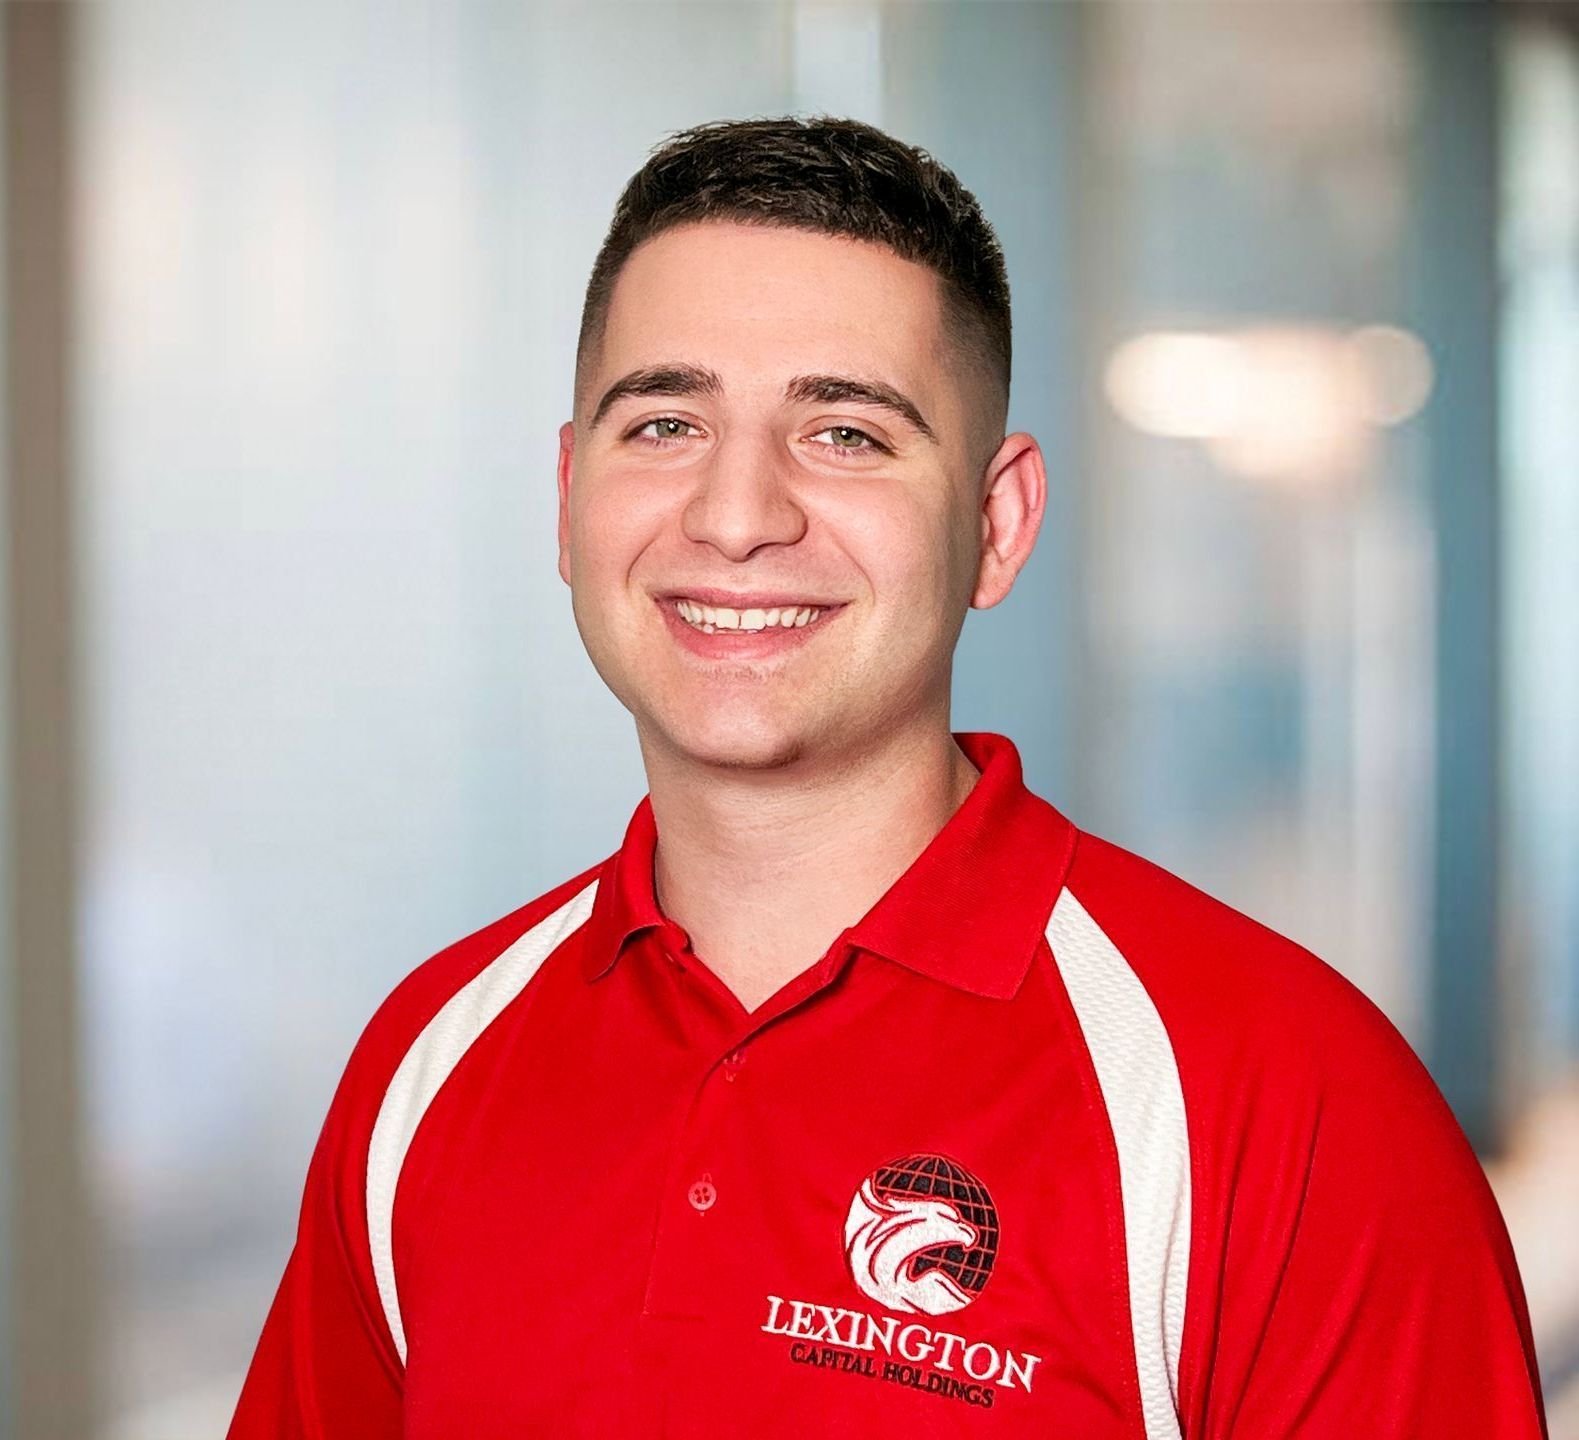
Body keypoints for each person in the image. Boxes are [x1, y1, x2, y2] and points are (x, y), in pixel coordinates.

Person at [227, 115, 1548, 1438]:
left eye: (848, 434)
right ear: (570, 496)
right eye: (667, 423)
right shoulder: (432, 1063)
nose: (737, 516)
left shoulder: (1281, 1104)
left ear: (996, 523)